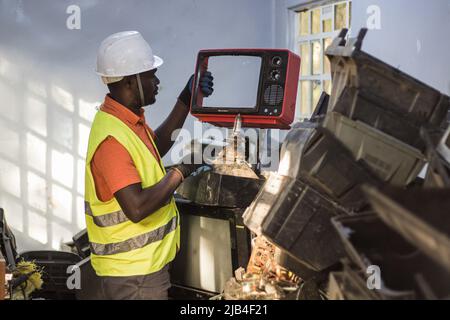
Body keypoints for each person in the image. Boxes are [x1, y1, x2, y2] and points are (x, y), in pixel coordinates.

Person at [84, 31, 213, 300]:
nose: (156, 82)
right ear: (131, 81)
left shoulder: (126, 122)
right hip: (134, 277)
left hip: (140, 272)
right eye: (151, 75)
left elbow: (156, 146)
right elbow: (137, 207)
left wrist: (186, 98)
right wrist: (182, 170)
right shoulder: (111, 139)